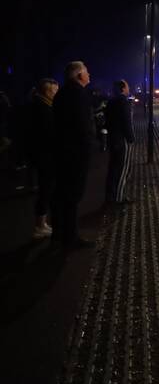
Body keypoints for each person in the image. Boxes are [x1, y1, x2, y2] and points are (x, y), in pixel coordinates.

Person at [51, 61, 95, 249]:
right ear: (79, 76)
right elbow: (82, 126)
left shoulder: (62, 93)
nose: (89, 75)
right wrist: (89, 149)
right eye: (86, 72)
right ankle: (70, 238)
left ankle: (58, 235)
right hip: (75, 154)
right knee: (72, 196)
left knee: (62, 194)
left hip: (62, 152)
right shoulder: (78, 94)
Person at [26, 78, 59, 239]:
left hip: (42, 155)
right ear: (48, 92)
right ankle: (39, 226)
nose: (56, 94)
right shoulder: (43, 108)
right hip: (45, 156)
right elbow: (48, 133)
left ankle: (42, 223)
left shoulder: (39, 105)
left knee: (46, 189)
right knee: (45, 189)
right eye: (55, 91)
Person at [105, 80, 135, 206]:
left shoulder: (111, 101)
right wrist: (131, 138)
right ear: (123, 88)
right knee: (122, 169)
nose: (129, 88)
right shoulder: (123, 102)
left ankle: (110, 196)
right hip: (122, 140)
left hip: (113, 138)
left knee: (113, 168)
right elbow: (126, 122)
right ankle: (119, 197)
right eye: (127, 86)